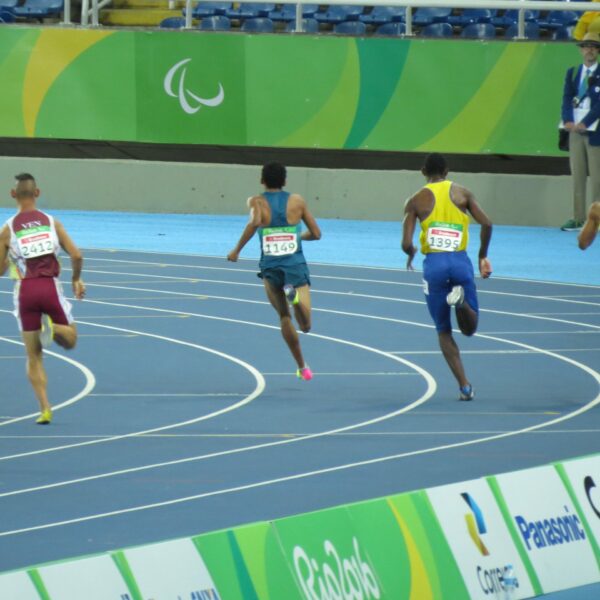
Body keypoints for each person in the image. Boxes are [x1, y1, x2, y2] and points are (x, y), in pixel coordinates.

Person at [402, 153, 492, 401]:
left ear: (423, 171)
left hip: (434, 267)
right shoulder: (463, 193)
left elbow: (406, 242)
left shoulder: (415, 201)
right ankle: (461, 302)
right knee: (470, 329)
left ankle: (464, 386)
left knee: (443, 331)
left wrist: (410, 255)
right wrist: (482, 256)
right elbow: (487, 223)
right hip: (460, 262)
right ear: (447, 171)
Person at [0, 173, 85, 424]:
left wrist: (8, 257)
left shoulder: (7, 229)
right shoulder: (52, 222)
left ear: (13, 195)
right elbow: (77, 255)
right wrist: (76, 279)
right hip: (50, 288)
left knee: (34, 355)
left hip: (25, 292)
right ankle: (54, 328)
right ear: (37, 193)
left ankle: (45, 408)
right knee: (70, 340)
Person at [227, 162, 321, 381]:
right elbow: (316, 233)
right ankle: (296, 300)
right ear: (285, 181)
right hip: (295, 265)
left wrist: (236, 250)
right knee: (306, 326)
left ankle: (302, 367)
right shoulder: (297, 201)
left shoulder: (256, 201)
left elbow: (255, 223)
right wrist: (298, 236)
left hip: (271, 267)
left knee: (284, 317)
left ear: (262, 180)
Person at [560, 32, 600, 231]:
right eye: (586, 45)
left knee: (598, 177)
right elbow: (567, 98)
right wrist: (567, 120)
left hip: (595, 132)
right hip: (574, 130)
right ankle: (577, 217)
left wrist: (586, 122)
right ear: (581, 49)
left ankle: (596, 219)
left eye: (593, 46)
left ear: (598, 50)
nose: (589, 49)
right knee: (577, 176)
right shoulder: (573, 72)